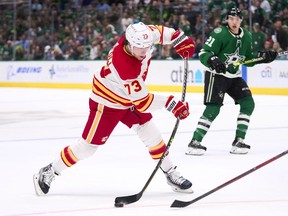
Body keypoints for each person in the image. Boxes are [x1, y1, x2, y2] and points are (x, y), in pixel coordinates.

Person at [33, 22, 195, 195]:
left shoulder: (141, 35)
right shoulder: (124, 64)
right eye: (140, 48)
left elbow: (162, 32)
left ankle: (170, 172)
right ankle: (50, 170)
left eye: (147, 47)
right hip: (107, 103)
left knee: (151, 133)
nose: (145, 51)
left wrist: (179, 38)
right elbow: (143, 102)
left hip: (129, 100)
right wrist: (171, 103)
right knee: (87, 148)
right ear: (129, 44)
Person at [185, 8, 277, 156]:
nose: (234, 21)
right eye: (231, 18)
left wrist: (263, 57)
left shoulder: (246, 36)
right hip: (217, 75)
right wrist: (213, 59)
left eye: (237, 19)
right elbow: (204, 53)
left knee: (248, 103)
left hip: (234, 77)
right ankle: (194, 142)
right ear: (227, 19)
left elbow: (247, 59)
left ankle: (238, 141)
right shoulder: (219, 33)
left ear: (241, 20)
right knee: (213, 108)